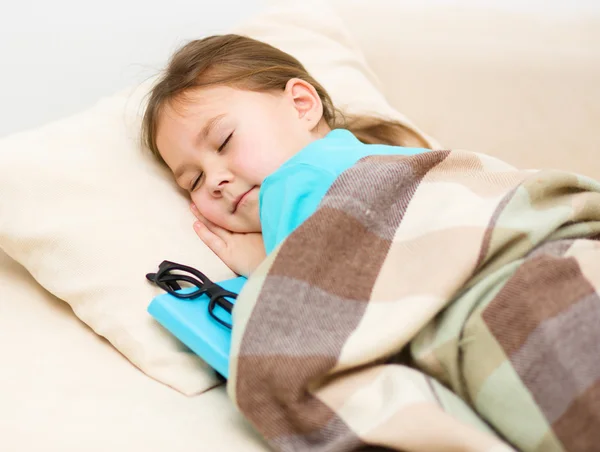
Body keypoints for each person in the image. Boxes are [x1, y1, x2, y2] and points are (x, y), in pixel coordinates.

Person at [141, 34, 432, 278]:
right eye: (195, 180)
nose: (215, 181)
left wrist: (265, 267)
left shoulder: (298, 178)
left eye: (224, 141)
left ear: (301, 105)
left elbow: (316, 312)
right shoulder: (364, 158)